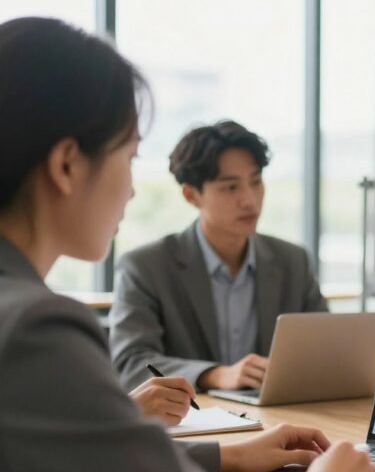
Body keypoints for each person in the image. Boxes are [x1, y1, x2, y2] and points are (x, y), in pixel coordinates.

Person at [0, 16, 375, 472]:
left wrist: (232, 456)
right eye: (129, 157)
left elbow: (87, 465)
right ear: (67, 165)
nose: (133, 192)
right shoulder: (33, 330)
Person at [109, 120, 328, 392]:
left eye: (256, 182)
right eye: (231, 187)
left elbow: (326, 353)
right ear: (191, 195)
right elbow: (131, 363)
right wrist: (214, 375)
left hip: (277, 419)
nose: (250, 200)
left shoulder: (293, 261)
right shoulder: (146, 267)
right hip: (192, 422)